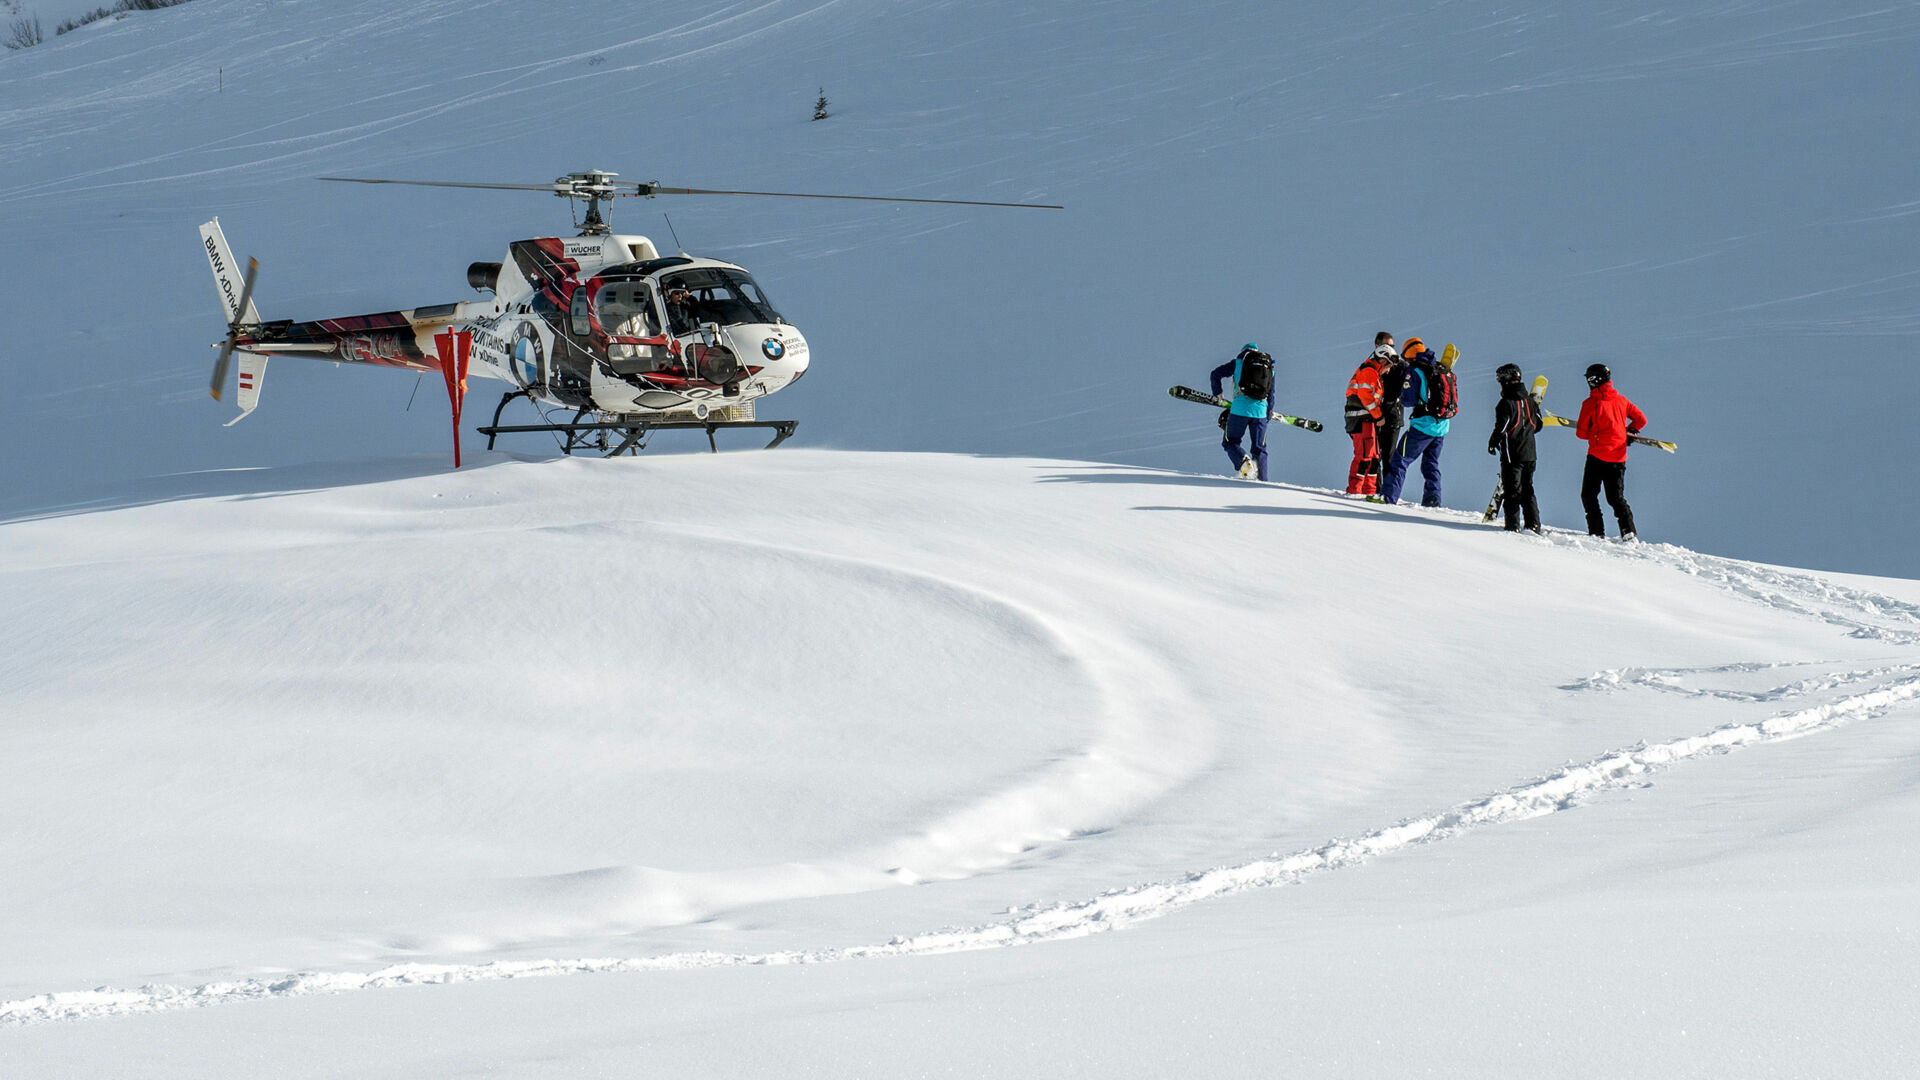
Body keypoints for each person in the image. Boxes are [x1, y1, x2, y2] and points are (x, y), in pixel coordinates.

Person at [1574, 363, 1647, 539]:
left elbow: (1581, 434)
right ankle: (1628, 532)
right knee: (1616, 498)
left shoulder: (1590, 404)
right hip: (1618, 458)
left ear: (1593, 380)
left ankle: (1596, 532)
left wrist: (1593, 430)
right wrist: (1631, 432)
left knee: (1589, 495)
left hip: (1597, 457)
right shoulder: (1622, 400)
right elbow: (1641, 419)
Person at [1381, 337, 1455, 506]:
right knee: (1431, 464)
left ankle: (1388, 497)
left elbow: (1408, 400)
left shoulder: (1414, 371)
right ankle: (1433, 499)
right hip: (1442, 426)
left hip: (1422, 425)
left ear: (1409, 354)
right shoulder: (1439, 368)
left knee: (1399, 460)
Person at [1487, 363, 1544, 533]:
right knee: (1528, 490)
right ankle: (1533, 525)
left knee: (1512, 491)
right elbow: (1538, 425)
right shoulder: (1531, 402)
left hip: (1513, 454)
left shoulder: (1506, 403)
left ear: (1505, 380)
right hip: (1530, 453)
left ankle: (1512, 527)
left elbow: (1502, 426)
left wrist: (1492, 442)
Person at [1209, 343, 1277, 480]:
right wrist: (1268, 413)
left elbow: (1215, 374)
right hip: (1260, 413)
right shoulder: (1269, 368)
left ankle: (1243, 461)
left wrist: (1218, 394)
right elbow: (1271, 394)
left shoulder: (1238, 362)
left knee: (1230, 442)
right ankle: (1263, 482)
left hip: (1239, 409)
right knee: (1260, 449)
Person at [1343, 340, 1396, 496]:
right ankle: (1354, 490)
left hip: (1367, 420)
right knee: (1363, 456)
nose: (1389, 368)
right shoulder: (1369, 372)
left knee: (1373, 457)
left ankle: (1369, 491)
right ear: (1383, 359)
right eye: (1389, 363)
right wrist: (1379, 416)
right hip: (1361, 420)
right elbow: (1365, 396)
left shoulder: (1375, 374)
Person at [1374, 332, 1408, 483]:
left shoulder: (1400, 365)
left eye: (1392, 346)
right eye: (1386, 345)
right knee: (1373, 456)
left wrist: (1393, 365)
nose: (1390, 349)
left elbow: (1405, 386)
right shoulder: (1371, 365)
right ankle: (1375, 490)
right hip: (1374, 416)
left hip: (1393, 416)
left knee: (1389, 456)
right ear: (1377, 346)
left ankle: (1388, 494)